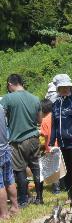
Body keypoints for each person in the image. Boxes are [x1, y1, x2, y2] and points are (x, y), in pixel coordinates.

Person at [0, 74, 43, 206]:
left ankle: (23, 200)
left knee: (19, 170)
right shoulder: (35, 98)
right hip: (34, 138)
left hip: (17, 141)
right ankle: (40, 198)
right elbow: (39, 120)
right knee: (36, 169)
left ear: (10, 84)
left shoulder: (7, 99)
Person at [49, 74, 72, 201]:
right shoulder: (55, 105)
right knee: (67, 172)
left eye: (67, 87)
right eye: (62, 87)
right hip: (63, 145)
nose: (65, 89)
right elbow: (54, 126)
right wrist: (51, 142)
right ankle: (70, 196)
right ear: (58, 89)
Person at [0, 106, 18, 218]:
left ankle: (3, 214)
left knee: (0, 183)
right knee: (9, 179)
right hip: (5, 146)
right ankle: (15, 207)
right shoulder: (0, 106)